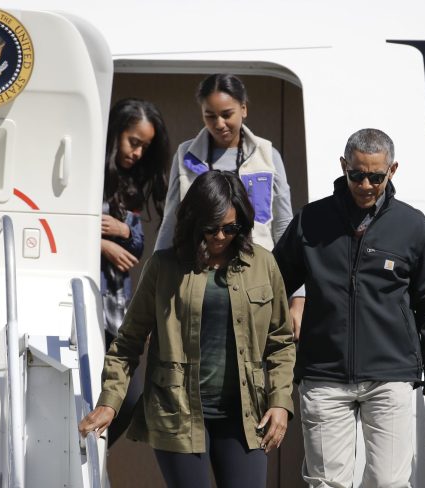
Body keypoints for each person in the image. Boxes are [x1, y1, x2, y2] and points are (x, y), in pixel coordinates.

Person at [80, 170, 295, 488]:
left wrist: (279, 402)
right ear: (194, 222)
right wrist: (109, 402)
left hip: (245, 414)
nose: (220, 237)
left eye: (230, 228)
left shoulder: (263, 264)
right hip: (176, 413)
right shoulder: (163, 268)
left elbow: (280, 341)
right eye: (211, 229)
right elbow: (128, 341)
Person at [272, 128, 425, 487]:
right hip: (324, 375)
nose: (365, 184)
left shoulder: (413, 226)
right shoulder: (311, 221)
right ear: (344, 166)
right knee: (327, 483)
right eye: (356, 174)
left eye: (376, 176)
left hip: (390, 374)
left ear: (392, 171)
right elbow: (272, 283)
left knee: (389, 483)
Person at [154, 73, 293, 253]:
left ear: (243, 109)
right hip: (200, 266)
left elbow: (283, 223)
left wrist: (287, 275)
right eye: (210, 116)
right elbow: (171, 220)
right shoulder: (186, 155)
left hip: (253, 267)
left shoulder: (267, 155)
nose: (219, 124)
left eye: (227, 115)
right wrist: (155, 271)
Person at [100, 98, 170, 444]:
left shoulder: (127, 185)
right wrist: (102, 244)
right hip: (85, 306)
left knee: (127, 400)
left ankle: (94, 458)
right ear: (116, 133)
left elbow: (138, 245)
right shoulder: (87, 173)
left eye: (145, 146)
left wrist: (125, 232)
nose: (139, 153)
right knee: (97, 396)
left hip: (116, 310)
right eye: (134, 141)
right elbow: (59, 228)